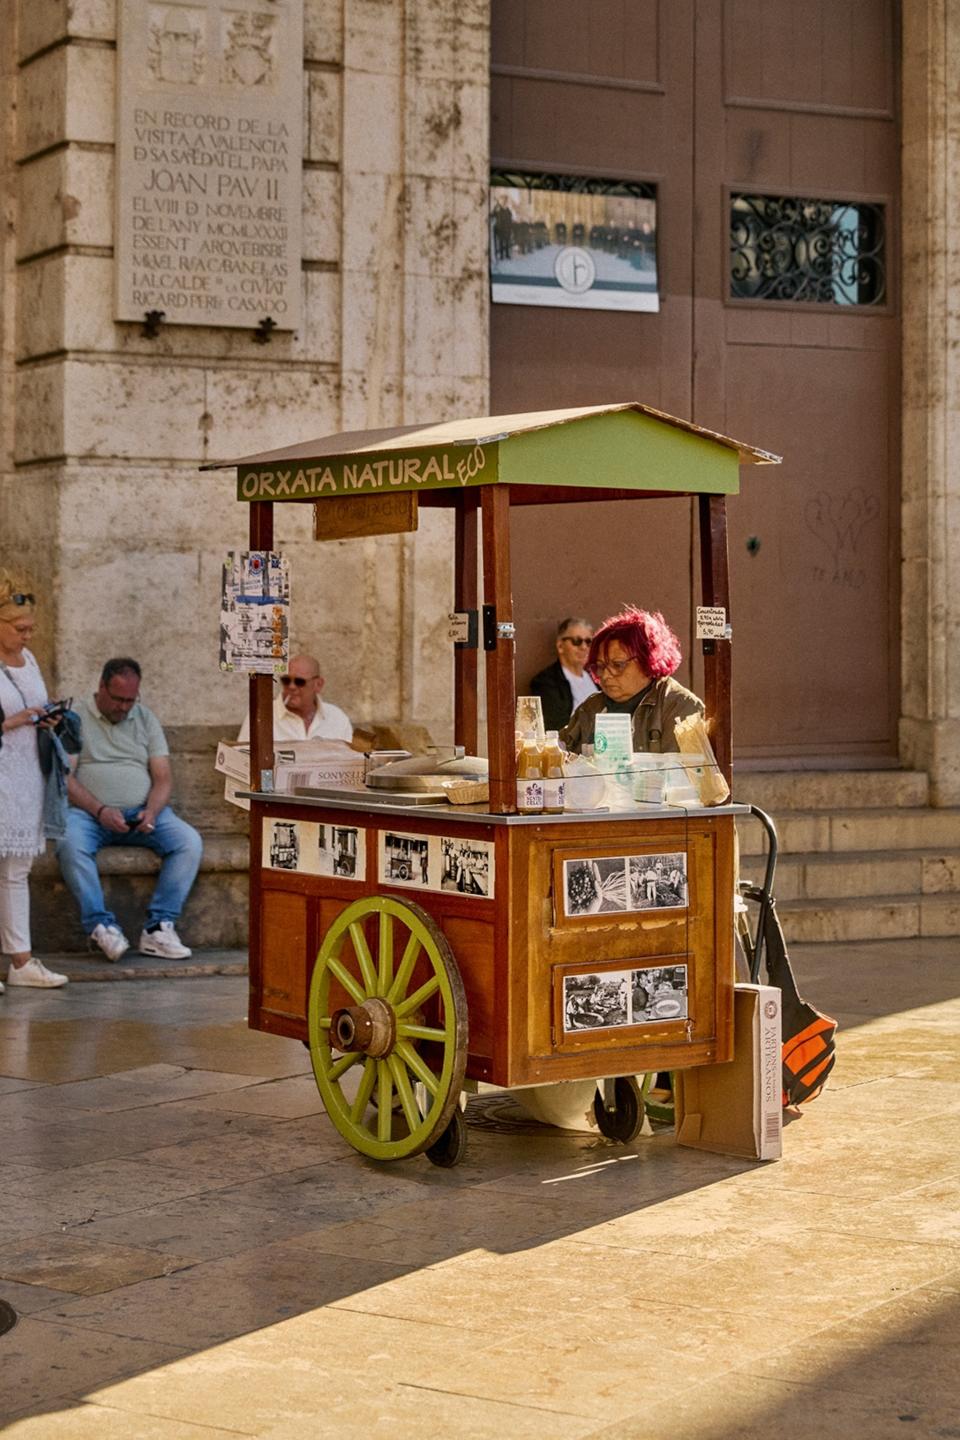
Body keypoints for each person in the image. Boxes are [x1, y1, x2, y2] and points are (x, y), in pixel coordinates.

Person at [57, 658, 203, 961]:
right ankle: (101, 925)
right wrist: (100, 811)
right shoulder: (75, 718)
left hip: (141, 814)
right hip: (90, 815)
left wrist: (151, 811)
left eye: (130, 700)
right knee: (68, 840)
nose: (124, 707)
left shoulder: (145, 718)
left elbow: (162, 778)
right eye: (118, 699)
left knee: (188, 841)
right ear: (101, 687)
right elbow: (65, 779)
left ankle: (158, 928)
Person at [0, 576, 69, 989]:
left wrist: (48, 717)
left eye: (30, 629)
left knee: (17, 869)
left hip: (27, 774)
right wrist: (16, 720)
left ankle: (21, 960)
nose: (26, 636)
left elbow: (34, 704)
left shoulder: (30, 661)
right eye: (18, 629)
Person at [561, 605, 704, 754]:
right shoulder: (591, 707)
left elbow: (683, 773)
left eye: (618, 665)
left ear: (648, 661)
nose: (605, 675)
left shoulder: (680, 707)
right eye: (600, 666)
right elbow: (561, 753)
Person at [237, 653, 352, 744]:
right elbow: (240, 763)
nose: (291, 687)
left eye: (299, 682)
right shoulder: (262, 716)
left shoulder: (338, 719)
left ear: (318, 684)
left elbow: (351, 766)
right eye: (286, 680)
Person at [529, 617, 599, 731]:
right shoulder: (545, 682)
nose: (584, 647)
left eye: (588, 642)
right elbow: (554, 725)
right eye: (577, 641)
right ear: (560, 646)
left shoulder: (598, 677)